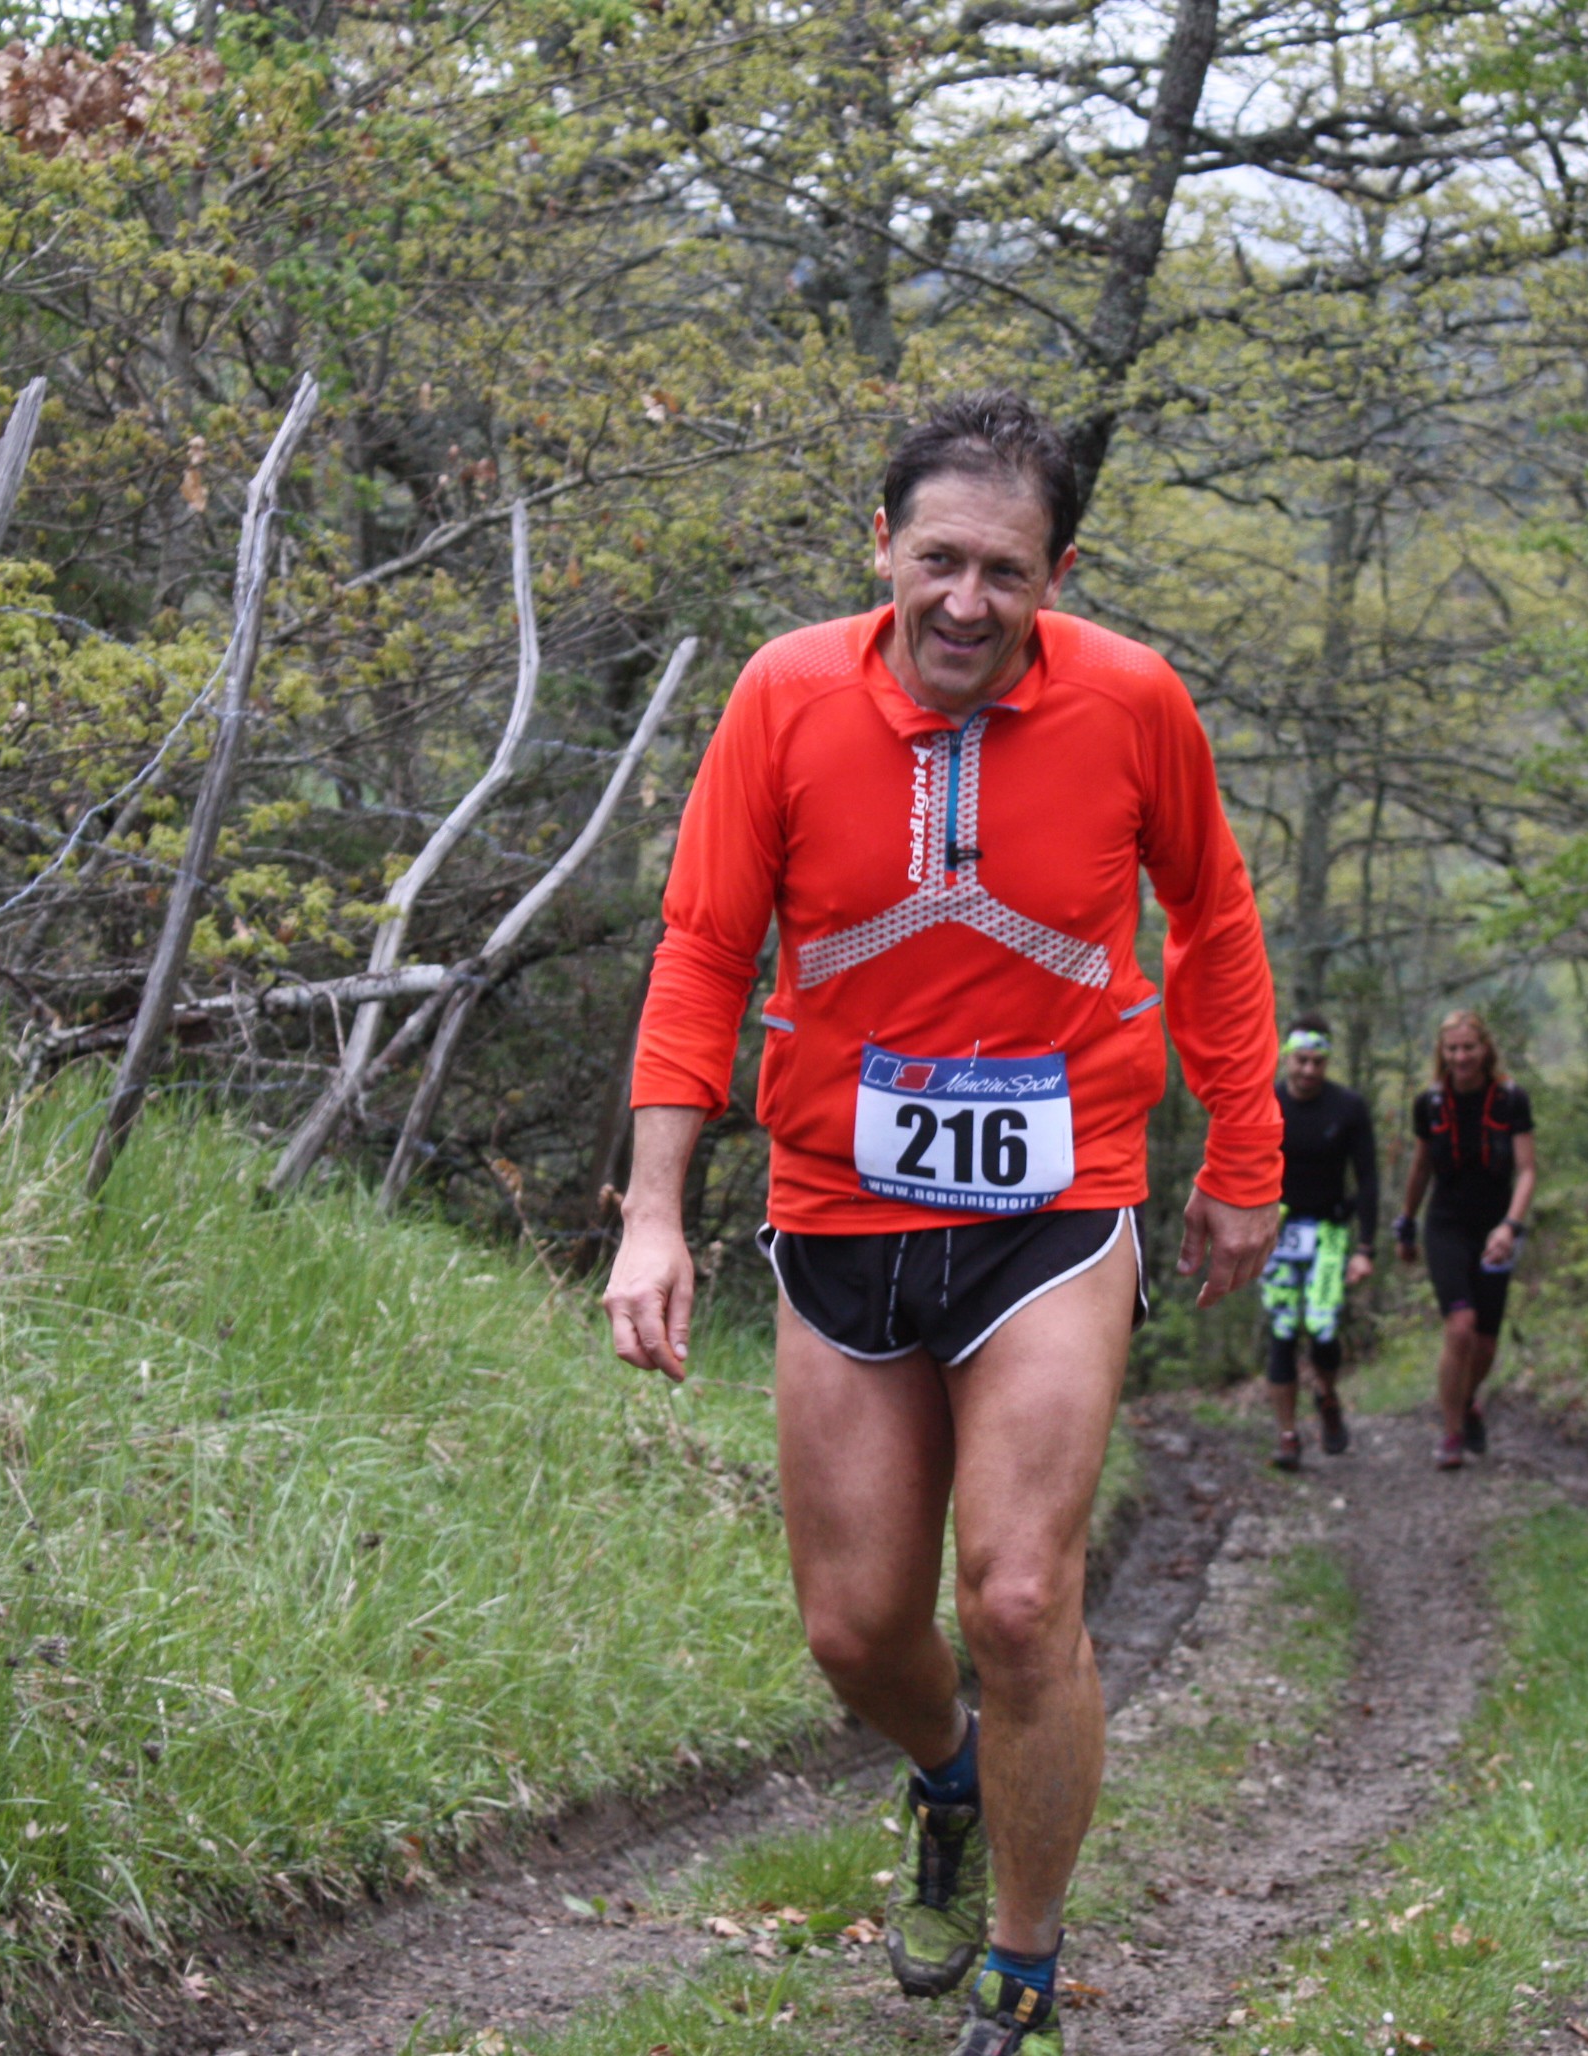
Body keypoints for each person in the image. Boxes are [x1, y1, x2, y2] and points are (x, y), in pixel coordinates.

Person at [600, 391, 1282, 2056]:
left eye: (1007, 568)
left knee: (1021, 1596)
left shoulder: (1131, 703)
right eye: (938, 560)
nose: (967, 601)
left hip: (1053, 1204)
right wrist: (652, 1209)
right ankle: (951, 1781)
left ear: (1056, 573)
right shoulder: (781, 696)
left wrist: (1243, 1153)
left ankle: (1025, 1974)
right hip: (838, 1203)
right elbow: (702, 950)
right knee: (852, 1628)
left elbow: (1209, 918)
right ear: (879, 550)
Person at [1392, 1008, 1537, 1470]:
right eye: (1452, 1049)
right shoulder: (1430, 1104)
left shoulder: (1511, 1099)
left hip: (1497, 1226)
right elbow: (1420, 1169)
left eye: (1468, 1048)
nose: (1461, 1057)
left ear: (1485, 1049)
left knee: (1487, 1342)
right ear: (1442, 1053)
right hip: (1446, 1225)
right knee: (1460, 1327)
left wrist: (1510, 1227)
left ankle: (1468, 1397)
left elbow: (1528, 1170)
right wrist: (1406, 1223)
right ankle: (1451, 1432)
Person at [1261, 1013, 1377, 1470]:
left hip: (1330, 1230)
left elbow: (1367, 1178)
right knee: (1283, 1332)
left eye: (1318, 1062)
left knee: (1324, 1328)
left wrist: (1366, 1248)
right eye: (1301, 1060)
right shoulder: (1265, 1102)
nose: (1309, 1071)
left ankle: (1327, 1396)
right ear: (1287, 1058)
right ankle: (1287, 1435)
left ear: (1328, 1063)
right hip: (1276, 1232)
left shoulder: (1347, 1107)